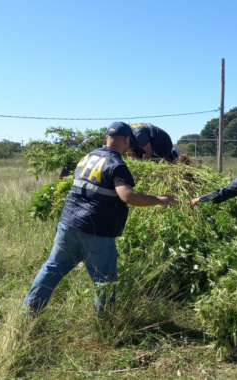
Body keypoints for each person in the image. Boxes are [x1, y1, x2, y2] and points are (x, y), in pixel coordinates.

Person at [23, 122, 177, 315]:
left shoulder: (89, 156)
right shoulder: (117, 165)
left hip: (68, 223)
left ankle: (28, 313)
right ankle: (105, 324)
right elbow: (128, 196)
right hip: (96, 230)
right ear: (126, 140)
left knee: (52, 268)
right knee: (104, 280)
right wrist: (161, 199)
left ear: (107, 137)